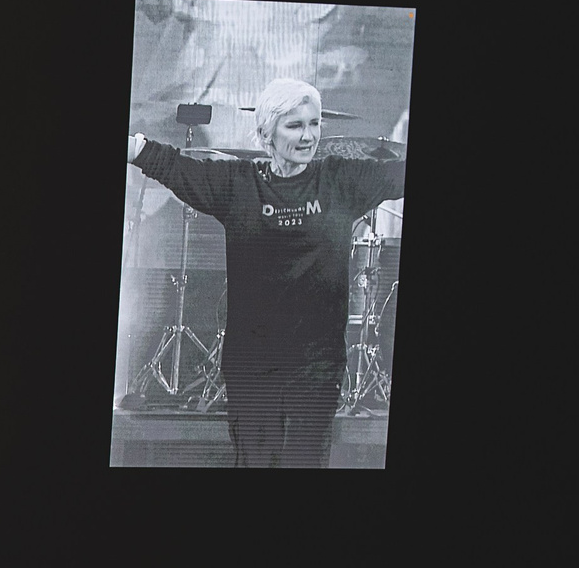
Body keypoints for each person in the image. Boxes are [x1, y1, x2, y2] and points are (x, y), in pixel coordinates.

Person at [126, 79, 407, 468]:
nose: (309, 136)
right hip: (253, 366)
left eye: (314, 123)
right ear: (266, 134)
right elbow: (175, 166)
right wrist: (136, 148)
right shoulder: (239, 185)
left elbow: (400, 173)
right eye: (295, 126)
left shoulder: (341, 180)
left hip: (316, 366)